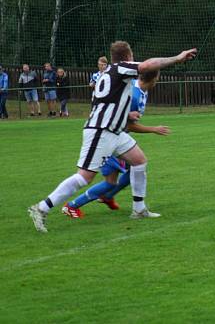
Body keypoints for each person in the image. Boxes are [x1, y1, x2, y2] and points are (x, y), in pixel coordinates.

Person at [27, 41, 196, 232]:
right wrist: (178, 57)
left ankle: (139, 209)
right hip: (101, 131)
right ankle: (41, 208)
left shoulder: (107, 73)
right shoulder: (121, 68)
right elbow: (148, 65)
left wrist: (126, 115)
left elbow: (106, 102)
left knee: (139, 161)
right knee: (84, 177)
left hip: (114, 130)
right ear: (128, 56)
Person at [62, 70, 170, 218]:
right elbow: (128, 125)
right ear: (153, 80)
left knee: (133, 169)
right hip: (111, 139)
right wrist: (153, 129)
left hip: (118, 138)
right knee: (113, 180)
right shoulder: (135, 96)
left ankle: (108, 197)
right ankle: (72, 205)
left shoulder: (139, 90)